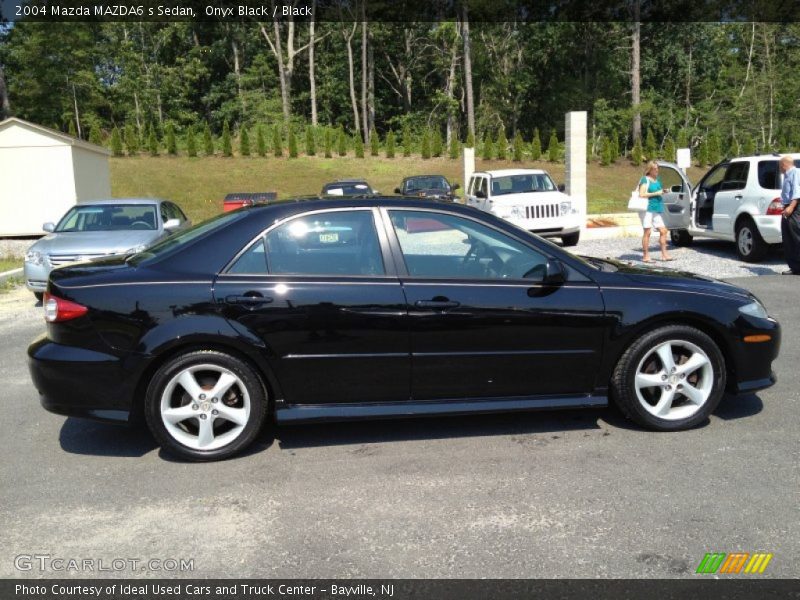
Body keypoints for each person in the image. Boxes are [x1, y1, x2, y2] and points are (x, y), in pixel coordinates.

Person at [638, 161, 673, 263]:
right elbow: (641, 194)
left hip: (656, 208)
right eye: (655, 169)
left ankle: (664, 254)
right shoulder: (645, 179)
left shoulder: (657, 180)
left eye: (658, 169)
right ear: (650, 169)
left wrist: (663, 191)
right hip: (647, 209)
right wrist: (656, 193)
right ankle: (646, 256)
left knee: (663, 231)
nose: (657, 171)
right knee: (647, 232)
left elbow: (659, 191)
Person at [778, 155, 800, 275]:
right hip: (787, 207)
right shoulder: (787, 175)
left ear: (783, 164)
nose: (779, 168)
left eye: (780, 165)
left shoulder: (795, 173)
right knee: (788, 238)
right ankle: (795, 267)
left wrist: (791, 207)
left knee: (797, 237)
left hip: (794, 208)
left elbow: (797, 191)